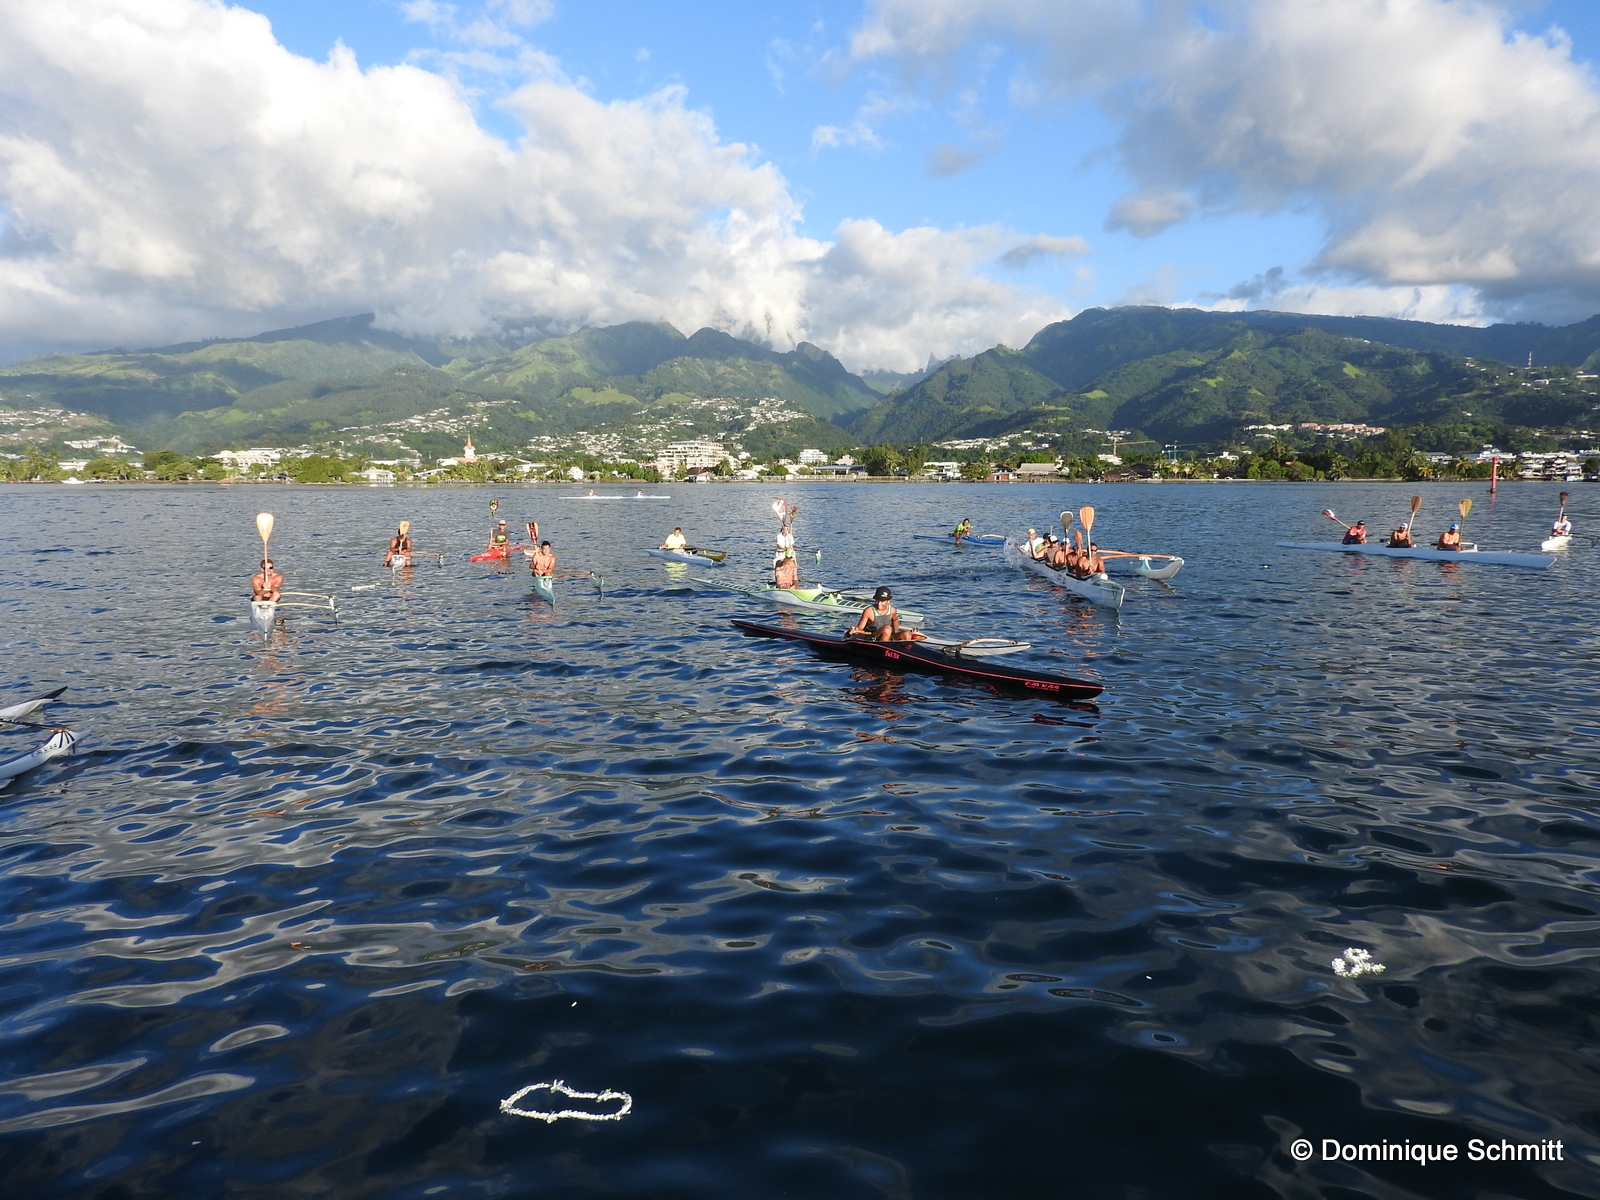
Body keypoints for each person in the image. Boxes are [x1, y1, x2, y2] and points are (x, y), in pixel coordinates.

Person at [848, 586, 923, 643]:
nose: (879, 604)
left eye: (882, 601)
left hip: (888, 635)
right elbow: (859, 629)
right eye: (877, 600)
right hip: (873, 637)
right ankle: (883, 650)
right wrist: (854, 630)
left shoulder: (893, 610)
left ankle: (905, 652)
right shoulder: (869, 611)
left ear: (888, 601)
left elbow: (895, 620)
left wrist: (896, 632)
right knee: (887, 629)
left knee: (906, 634)